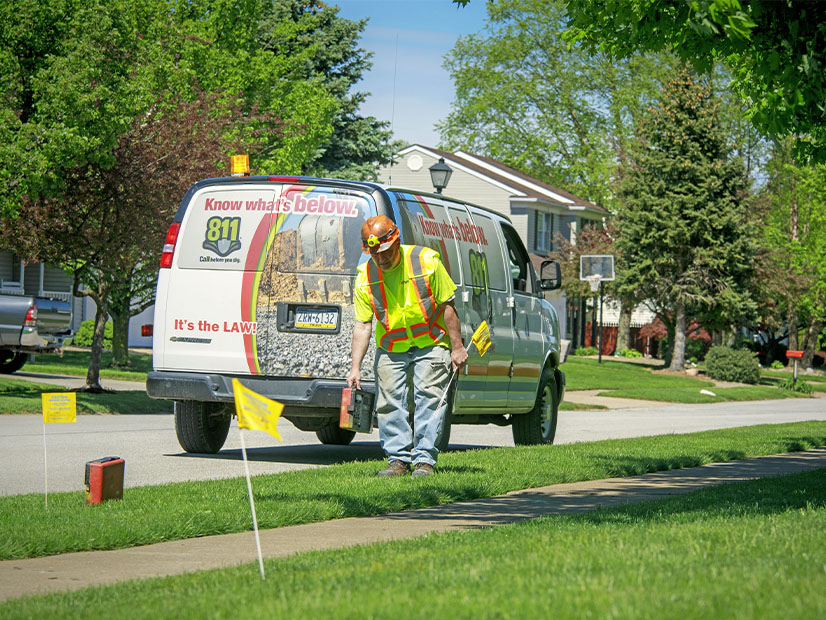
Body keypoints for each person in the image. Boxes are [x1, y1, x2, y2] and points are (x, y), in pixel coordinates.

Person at [347, 214, 468, 477]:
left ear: (396, 240)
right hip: (392, 347)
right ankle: (398, 461)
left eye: (385, 252)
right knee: (389, 402)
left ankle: (424, 461)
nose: (380, 259)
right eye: (374, 254)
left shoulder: (426, 262)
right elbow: (363, 325)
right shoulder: (364, 277)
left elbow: (448, 306)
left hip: (431, 341)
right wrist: (355, 367)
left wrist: (457, 348)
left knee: (430, 397)